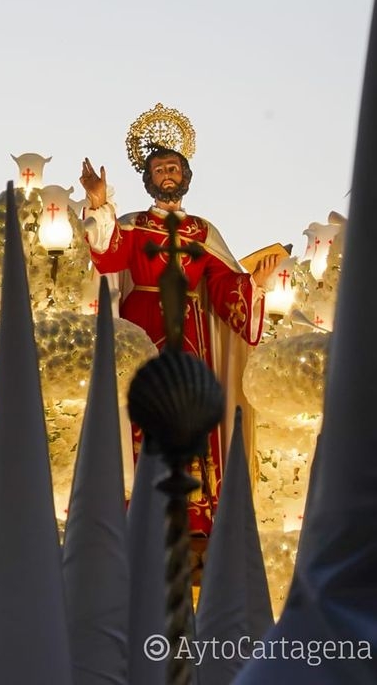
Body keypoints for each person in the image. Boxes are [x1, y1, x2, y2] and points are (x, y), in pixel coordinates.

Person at [79, 141, 279, 536]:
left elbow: (222, 286)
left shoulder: (202, 231)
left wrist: (251, 284)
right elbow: (109, 256)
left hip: (190, 334)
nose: (167, 175)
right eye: (159, 169)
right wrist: (100, 204)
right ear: (148, 179)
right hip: (143, 326)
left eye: (173, 168)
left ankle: (194, 513)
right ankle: (140, 504)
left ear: (185, 176)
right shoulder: (134, 224)